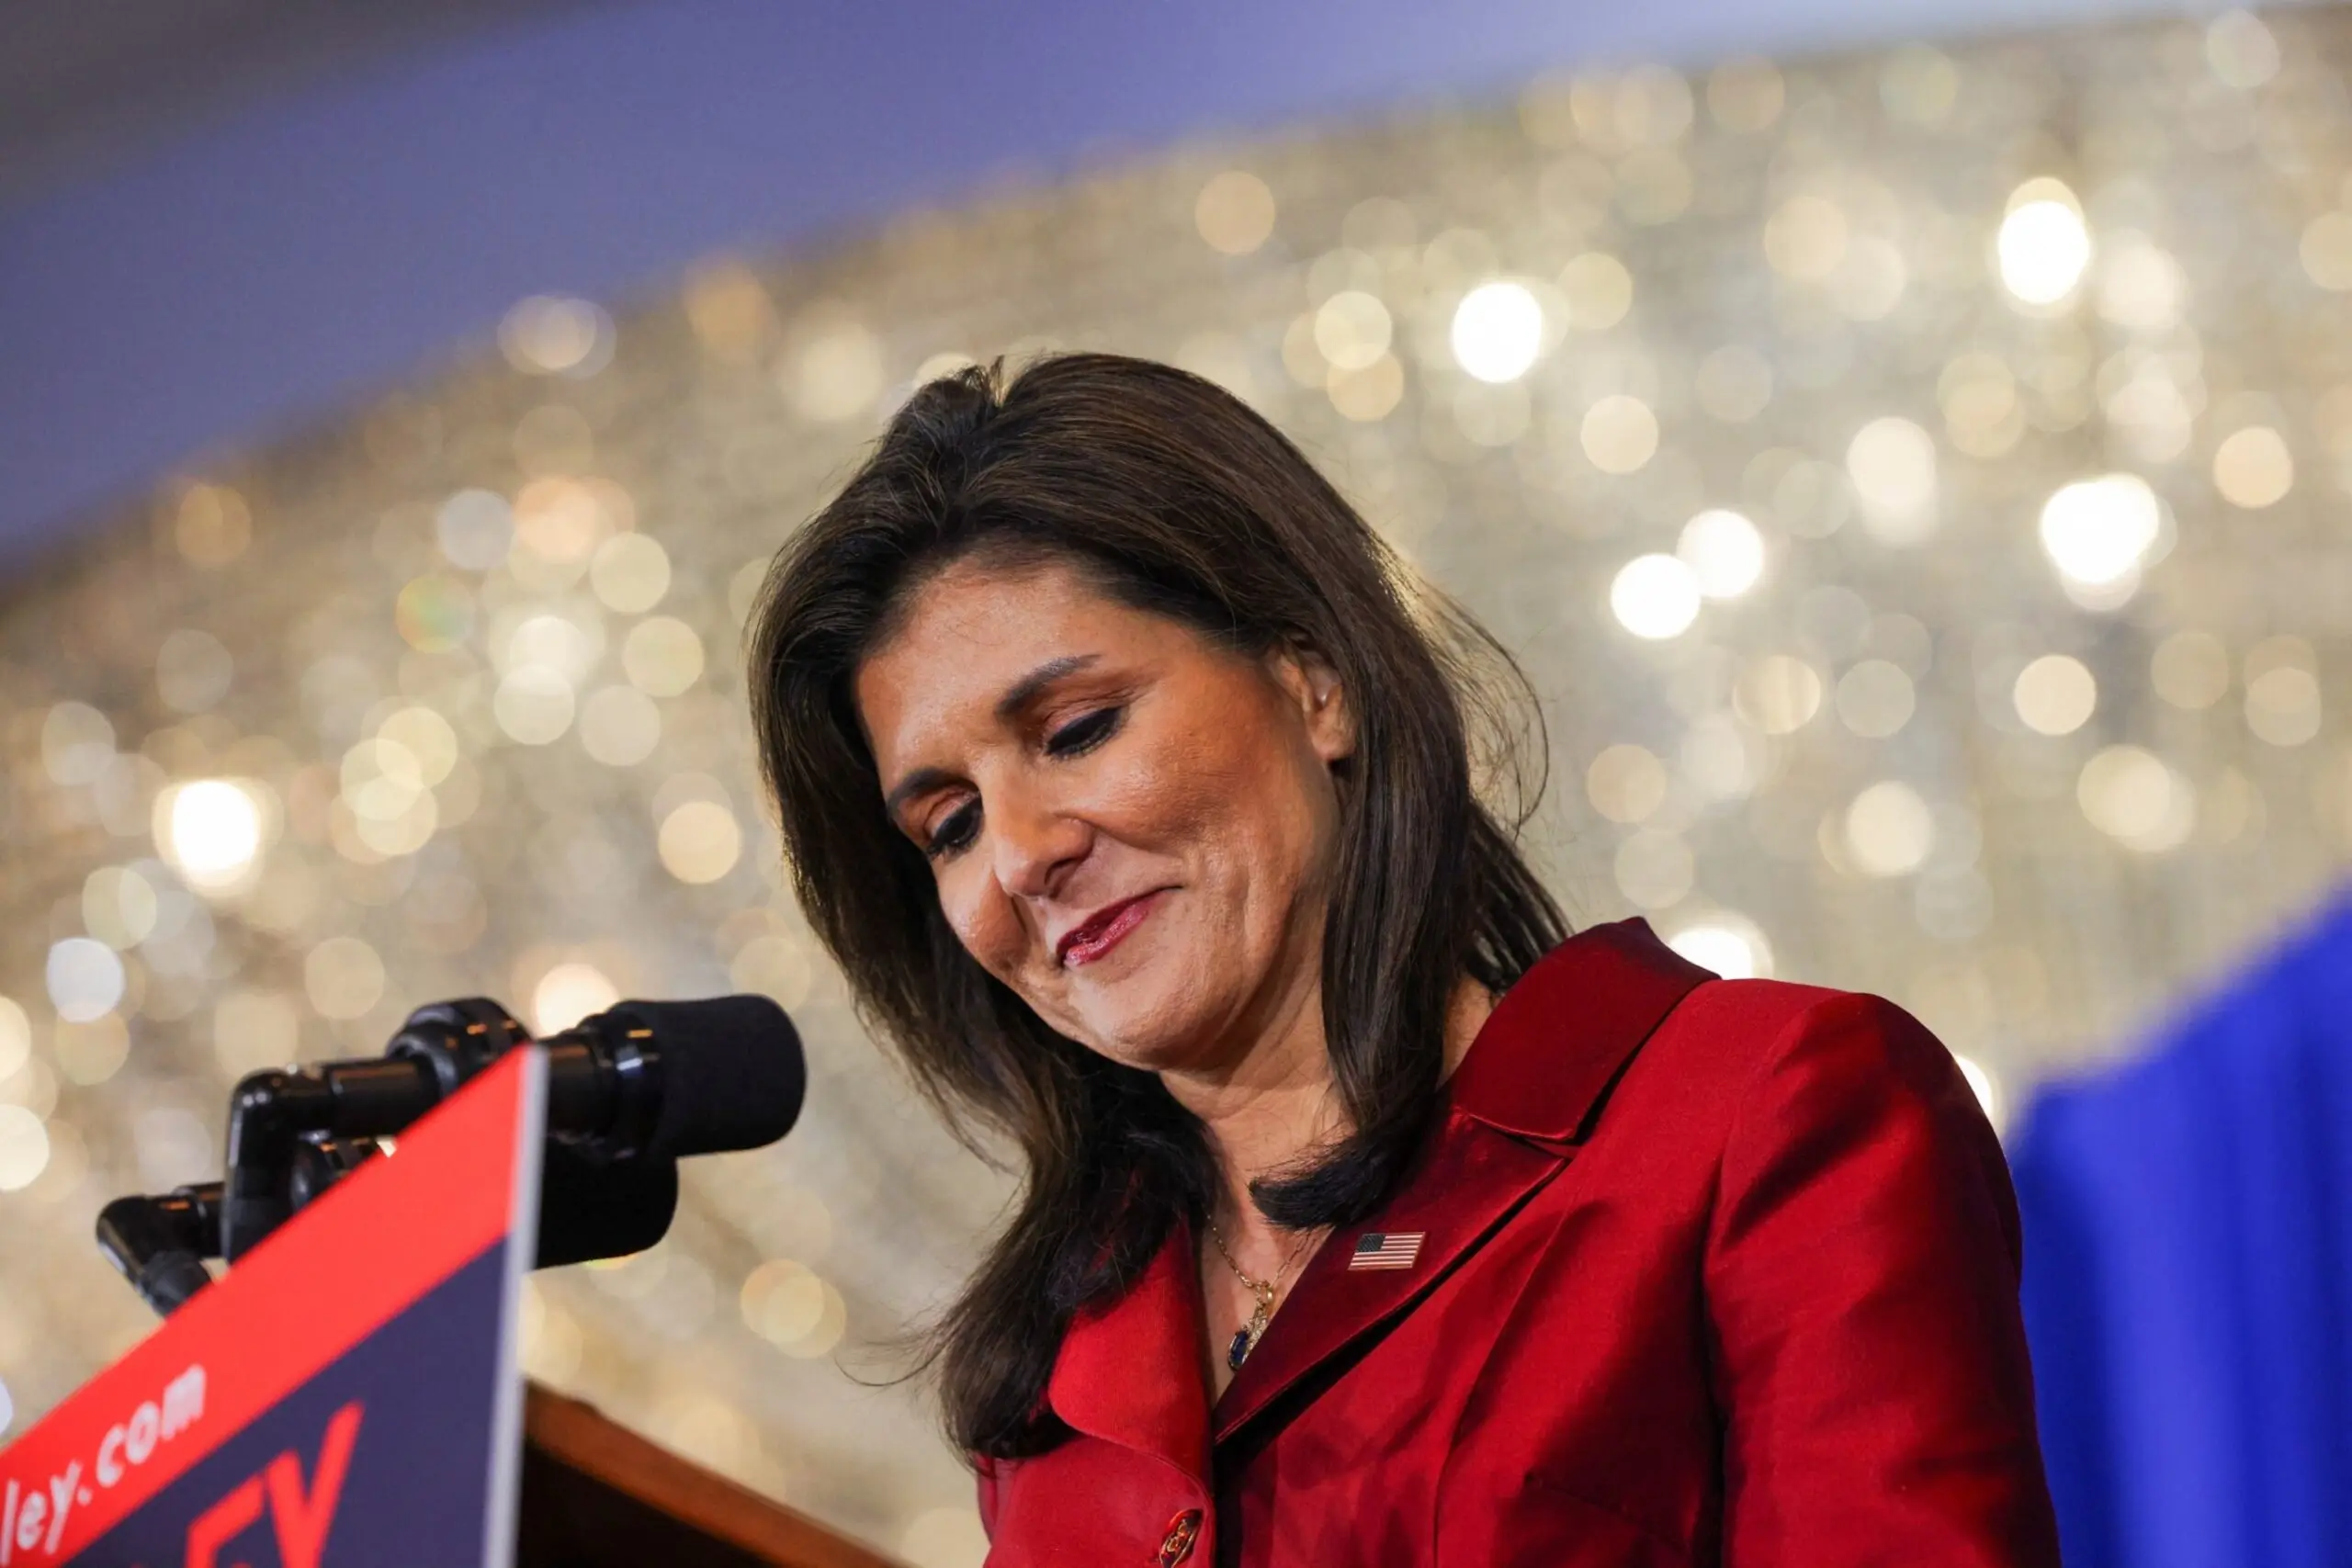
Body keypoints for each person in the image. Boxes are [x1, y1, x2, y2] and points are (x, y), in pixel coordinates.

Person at [748, 353, 2060, 1567]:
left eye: (1079, 727)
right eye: (950, 824)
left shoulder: (1761, 1108)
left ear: (1315, 679)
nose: (1021, 852)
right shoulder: (1057, 1389)